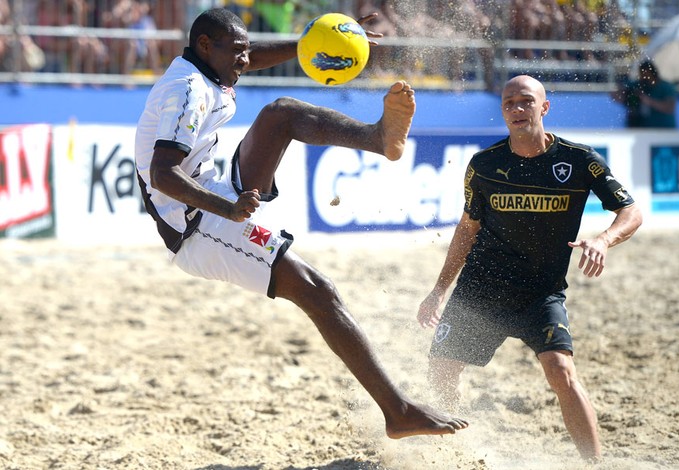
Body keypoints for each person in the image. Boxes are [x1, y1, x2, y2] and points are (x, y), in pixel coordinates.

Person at [134, 8, 468, 439]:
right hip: (197, 227)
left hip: (213, 192)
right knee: (318, 290)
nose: (244, 59)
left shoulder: (207, 66)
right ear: (205, 45)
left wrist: (319, 44)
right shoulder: (185, 91)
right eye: (237, 51)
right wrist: (228, 208)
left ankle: (378, 137)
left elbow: (248, 58)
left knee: (281, 113)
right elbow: (163, 174)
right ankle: (398, 411)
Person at [417, 75, 643, 461]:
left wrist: (603, 239)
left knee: (561, 372)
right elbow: (467, 229)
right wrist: (439, 290)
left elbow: (632, 210)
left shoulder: (579, 160)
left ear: (544, 107)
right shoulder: (484, 165)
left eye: (525, 102)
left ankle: (594, 464)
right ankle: (456, 454)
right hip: (482, 288)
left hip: (539, 292)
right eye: (509, 104)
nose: (517, 110)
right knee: (441, 369)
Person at [611, 59, 677, 128]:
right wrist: (628, 95)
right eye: (642, 75)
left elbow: (670, 108)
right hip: (643, 130)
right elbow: (615, 95)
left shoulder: (666, 87)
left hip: (664, 129)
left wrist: (649, 101)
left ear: (653, 74)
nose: (644, 78)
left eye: (647, 75)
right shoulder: (638, 85)